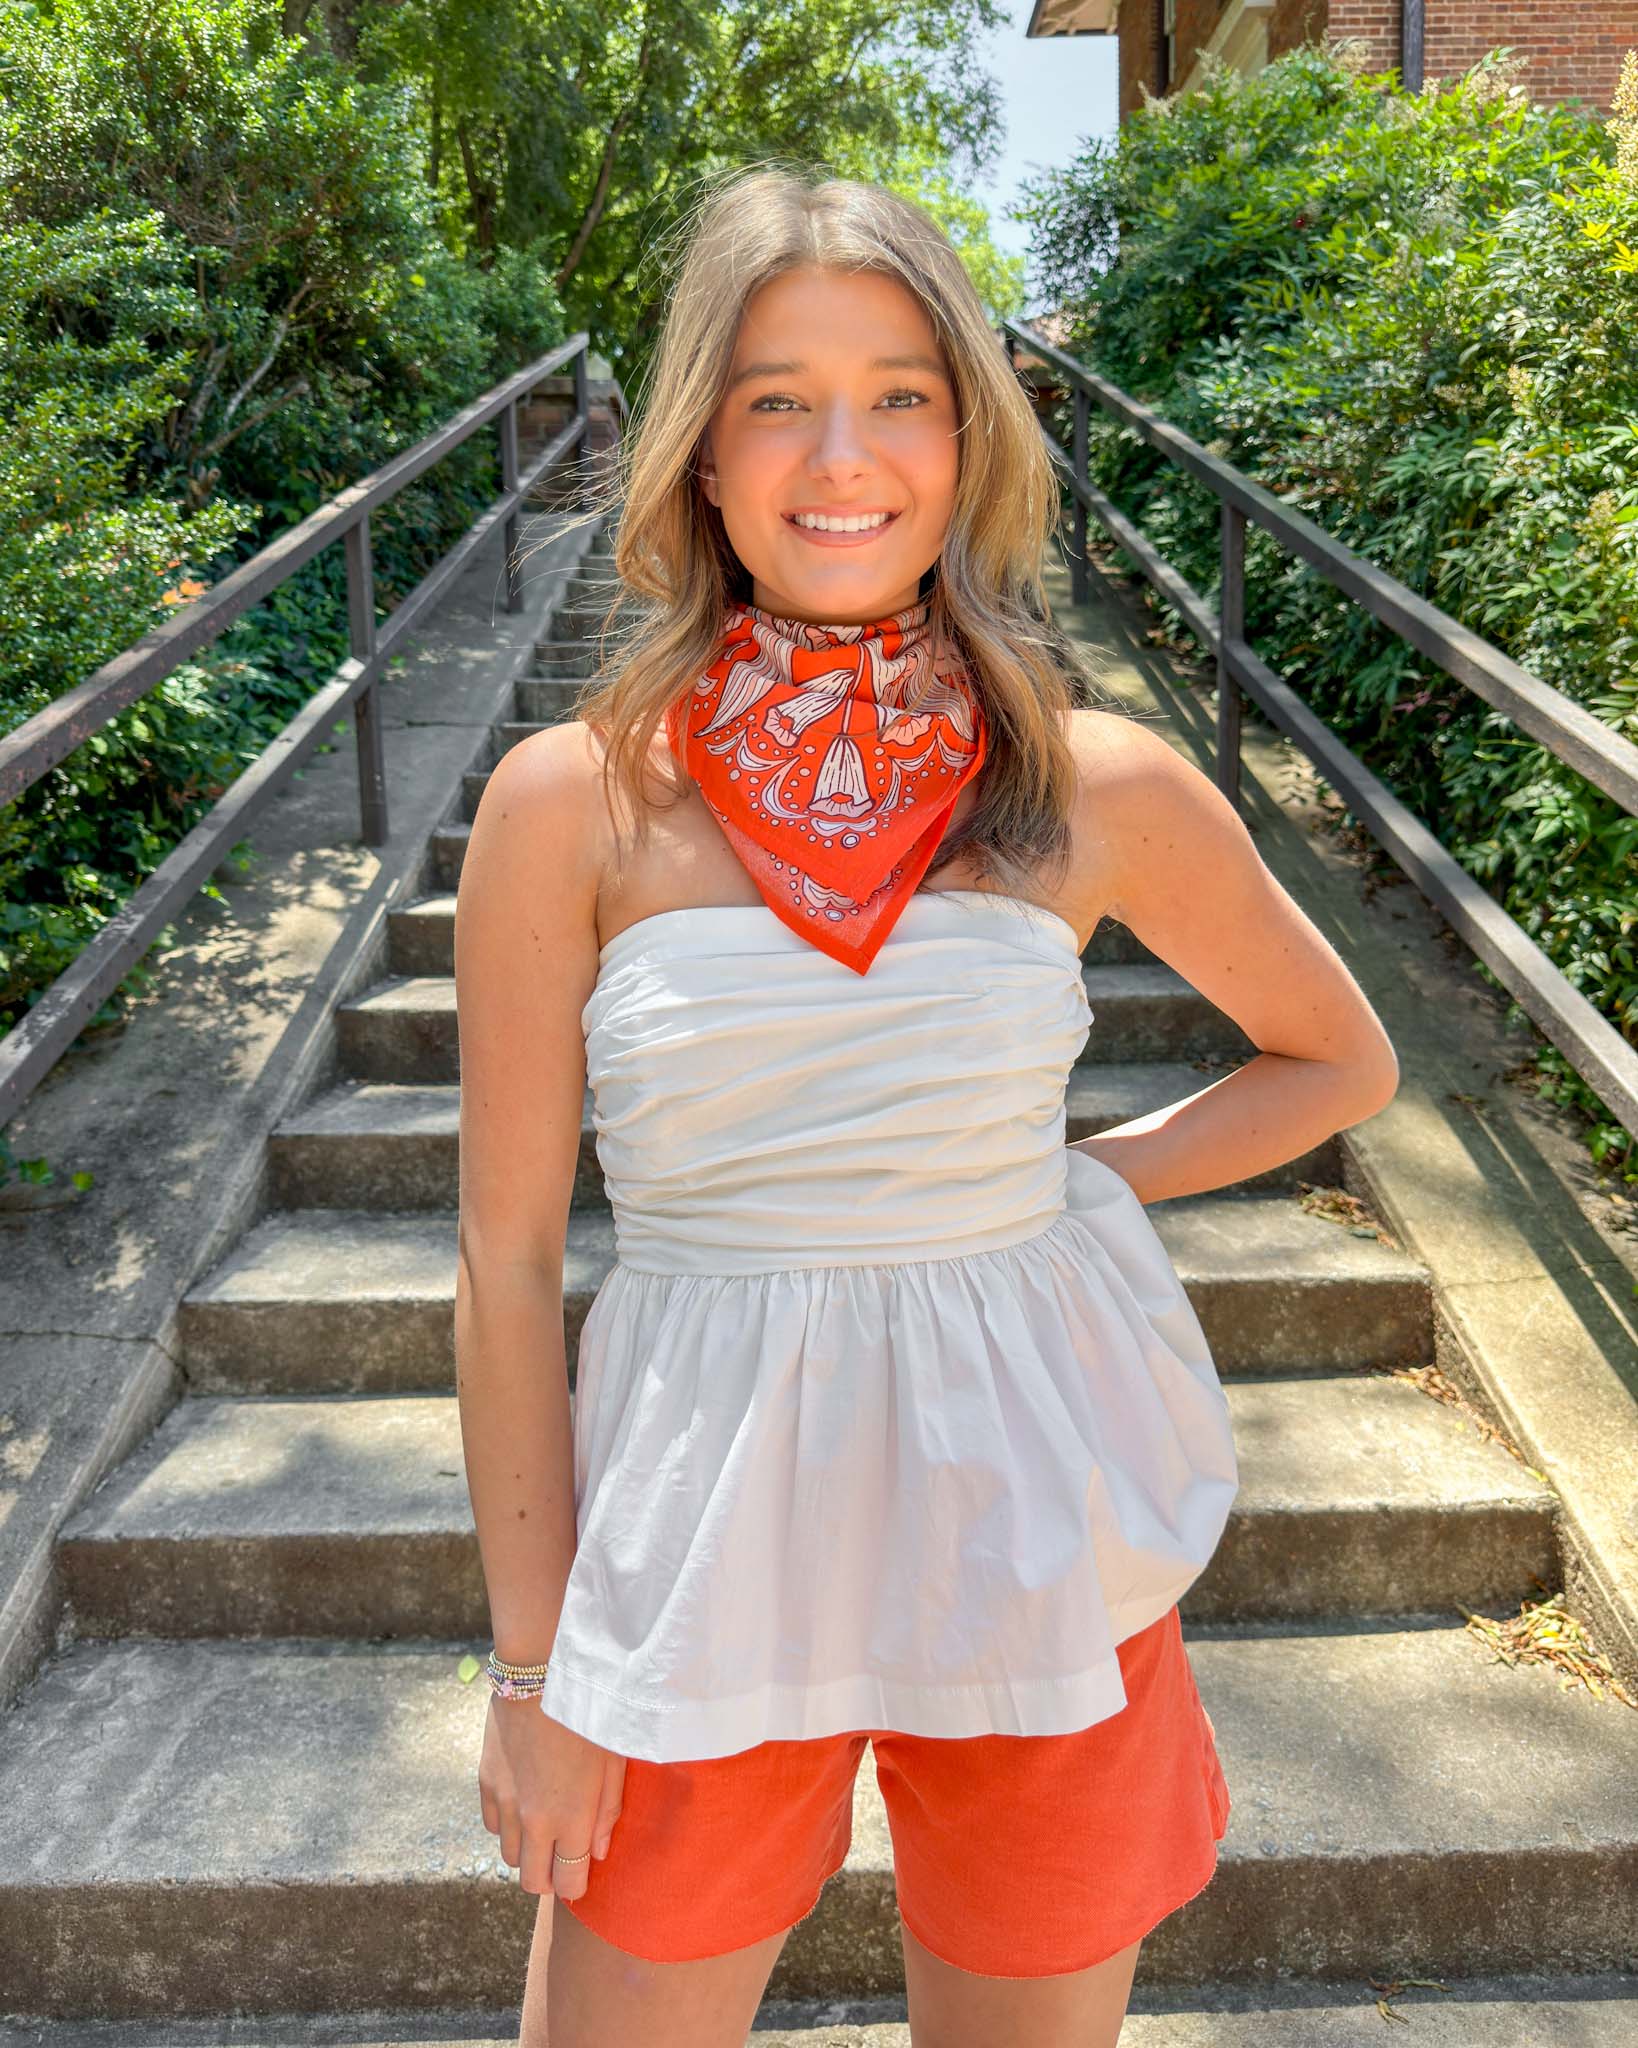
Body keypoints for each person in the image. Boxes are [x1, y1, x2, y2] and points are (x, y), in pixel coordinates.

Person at [452, 164, 1400, 2048]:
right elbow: (503, 1257)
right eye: (774, 398)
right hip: (696, 1526)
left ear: (967, 440)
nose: (841, 454)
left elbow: (1338, 1060)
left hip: (1034, 1512)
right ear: (697, 451)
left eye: (899, 392)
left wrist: (1071, 1186)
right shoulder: (572, 802)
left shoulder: (1097, 783)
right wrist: (532, 1668)